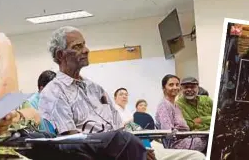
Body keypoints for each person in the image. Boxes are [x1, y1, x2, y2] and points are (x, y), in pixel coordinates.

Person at [39, 26, 205, 160]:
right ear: (61, 55)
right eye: (77, 47)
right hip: (102, 153)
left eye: (84, 44)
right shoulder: (53, 92)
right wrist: (127, 148)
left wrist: (140, 148)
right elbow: (70, 142)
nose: (86, 50)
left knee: (194, 156)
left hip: (126, 148)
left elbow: (118, 126)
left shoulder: (94, 88)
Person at [155, 74, 207, 152]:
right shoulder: (164, 105)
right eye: (171, 85)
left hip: (186, 138)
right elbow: (168, 132)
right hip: (176, 145)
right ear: (164, 88)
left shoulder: (176, 106)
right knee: (210, 140)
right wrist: (189, 134)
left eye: (177, 85)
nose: (175, 87)